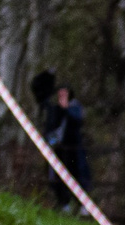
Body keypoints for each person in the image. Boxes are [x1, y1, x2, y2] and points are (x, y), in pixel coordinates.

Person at [29, 70, 90, 212]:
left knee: (77, 176)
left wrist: (66, 109)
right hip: (59, 148)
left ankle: (82, 205)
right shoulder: (54, 108)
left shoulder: (75, 107)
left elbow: (77, 120)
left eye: (64, 94)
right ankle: (64, 203)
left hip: (74, 149)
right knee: (57, 176)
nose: (61, 97)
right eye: (59, 94)